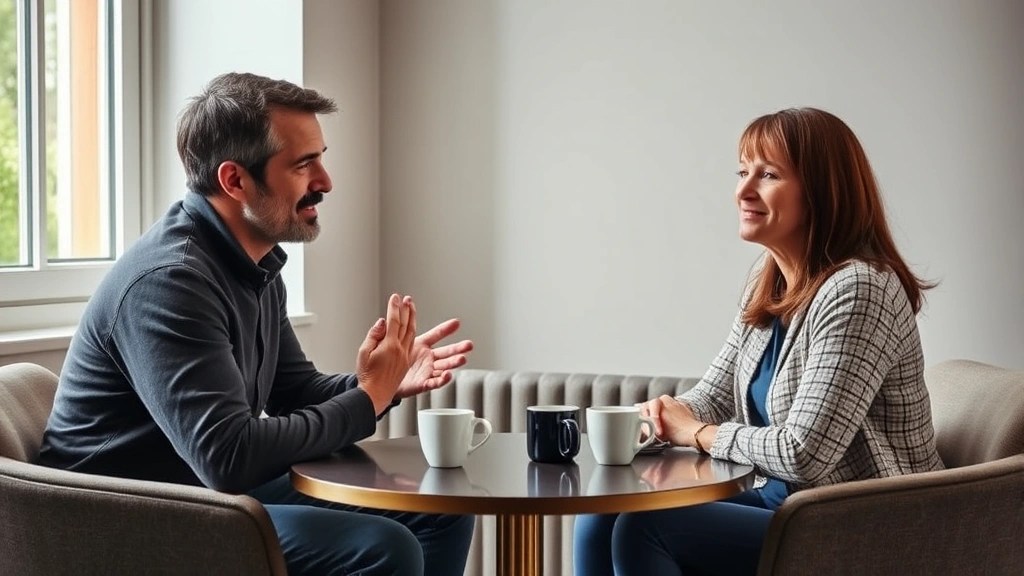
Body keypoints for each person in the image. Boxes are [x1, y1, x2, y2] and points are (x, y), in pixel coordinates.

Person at [40, 72, 476, 576]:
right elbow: (229, 457)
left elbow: (293, 389)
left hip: (203, 492)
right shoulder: (170, 283)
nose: (325, 182)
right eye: (303, 164)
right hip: (126, 519)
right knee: (382, 546)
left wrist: (382, 382)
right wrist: (368, 398)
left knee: (438, 511)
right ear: (234, 180)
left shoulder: (253, 264)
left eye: (321, 157)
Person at [573, 107, 945, 576]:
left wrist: (699, 434)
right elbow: (712, 396)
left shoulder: (861, 288)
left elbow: (804, 453)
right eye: (743, 171)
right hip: (787, 505)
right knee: (600, 512)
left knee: (644, 528)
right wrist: (657, 421)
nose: (743, 191)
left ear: (823, 192)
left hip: (866, 524)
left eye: (767, 174)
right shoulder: (770, 283)